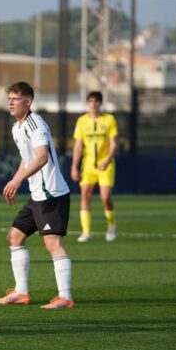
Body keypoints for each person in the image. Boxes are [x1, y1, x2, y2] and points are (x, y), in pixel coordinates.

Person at [0, 81, 74, 309]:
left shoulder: (35, 123)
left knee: (52, 244)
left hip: (52, 194)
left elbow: (41, 157)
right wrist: (15, 180)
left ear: (27, 102)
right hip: (37, 195)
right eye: (9, 98)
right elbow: (28, 159)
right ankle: (21, 292)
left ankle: (66, 297)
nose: (10, 102)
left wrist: (19, 179)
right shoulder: (17, 127)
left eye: (15, 98)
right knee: (14, 237)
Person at [70, 90, 119, 242]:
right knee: (85, 193)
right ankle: (86, 233)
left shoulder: (109, 120)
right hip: (89, 165)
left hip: (106, 164)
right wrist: (74, 166)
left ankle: (111, 224)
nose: (93, 104)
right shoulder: (82, 121)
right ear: (87, 103)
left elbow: (114, 143)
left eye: (96, 101)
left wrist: (107, 160)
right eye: (91, 101)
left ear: (100, 103)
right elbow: (78, 146)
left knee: (105, 197)